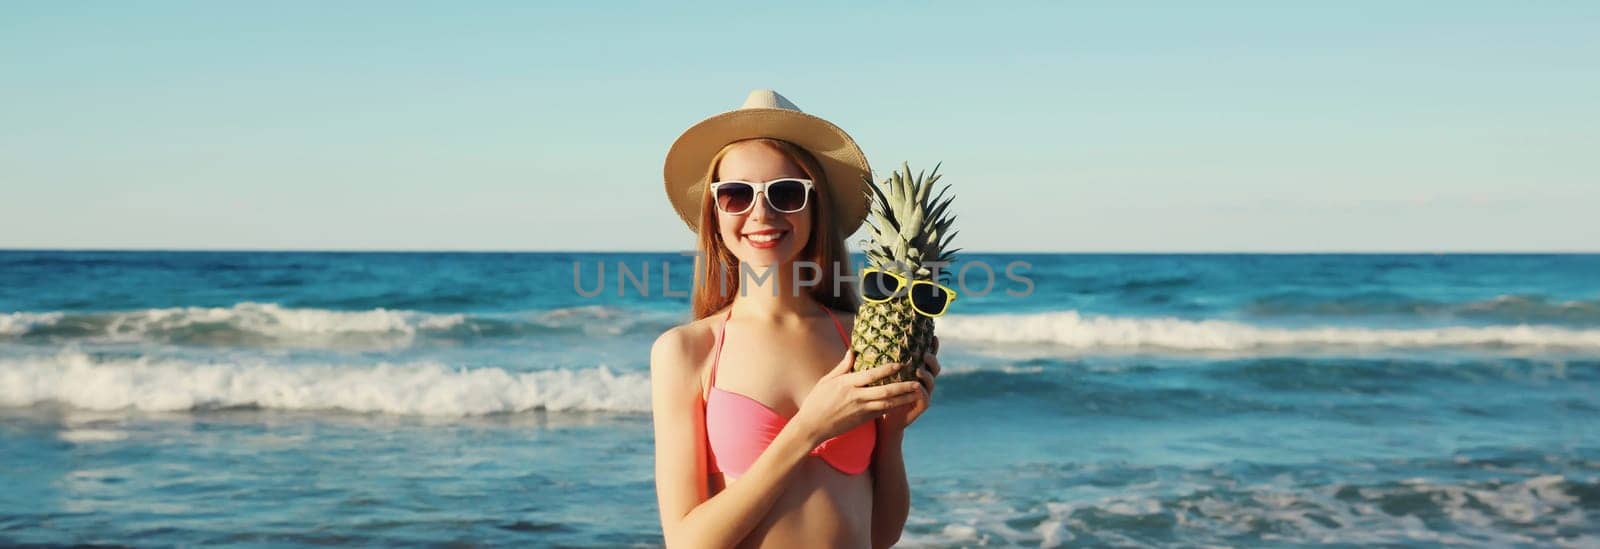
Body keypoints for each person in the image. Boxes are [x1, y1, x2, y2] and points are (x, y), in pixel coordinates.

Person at [650, 89, 942, 548]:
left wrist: (892, 433)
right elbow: (687, 543)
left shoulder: (858, 336)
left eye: (787, 193)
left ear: (815, 207)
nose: (761, 213)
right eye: (736, 195)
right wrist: (808, 430)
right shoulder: (689, 351)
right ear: (715, 210)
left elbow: (880, 536)